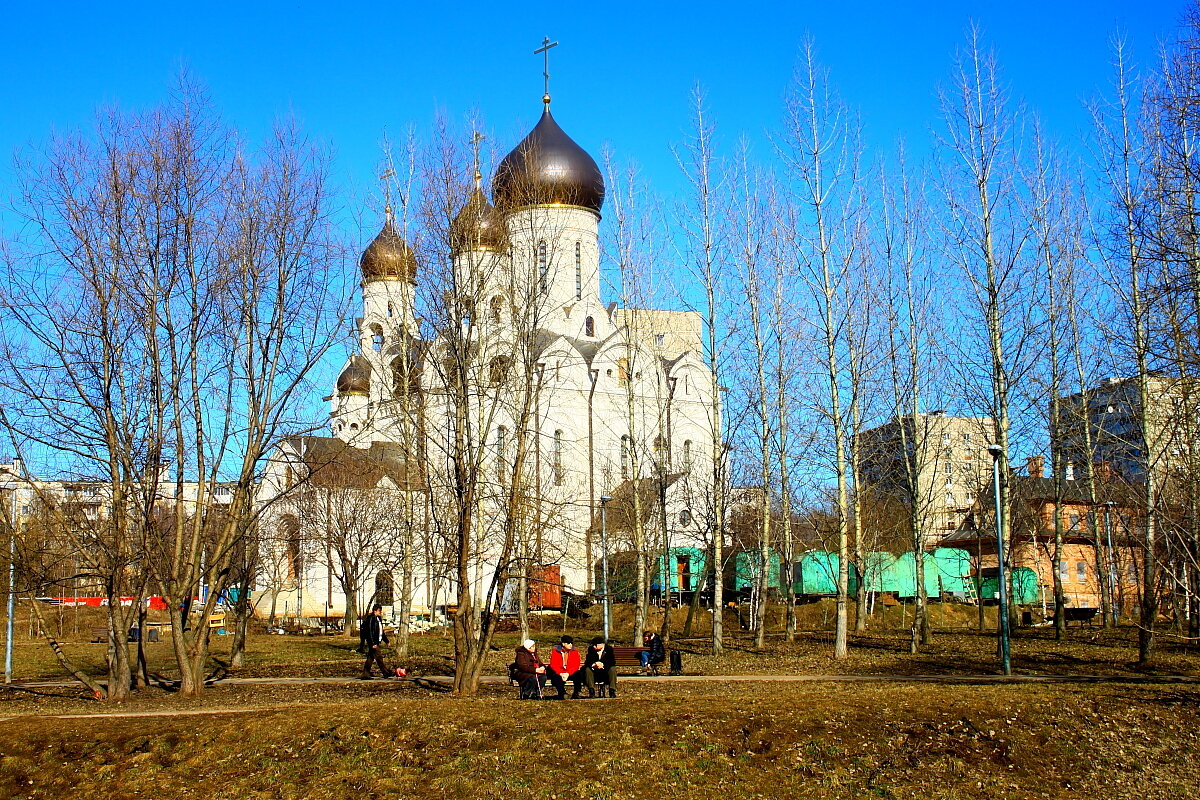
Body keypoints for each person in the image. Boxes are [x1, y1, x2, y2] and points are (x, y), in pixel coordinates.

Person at [546, 635, 583, 699]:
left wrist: (568, 673)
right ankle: (562, 693)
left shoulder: (575, 652)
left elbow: (576, 665)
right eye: (568, 643)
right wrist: (561, 673)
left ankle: (576, 693)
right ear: (563, 644)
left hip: (570, 672)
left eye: (571, 643)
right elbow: (554, 665)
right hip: (560, 672)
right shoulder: (555, 652)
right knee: (555, 677)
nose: (570, 645)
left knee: (578, 674)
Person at [359, 604, 390, 679]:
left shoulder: (378, 619)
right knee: (379, 657)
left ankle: (365, 674)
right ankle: (385, 672)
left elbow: (381, 632)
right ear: (375, 611)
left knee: (370, 658)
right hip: (373, 642)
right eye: (379, 610)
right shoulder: (371, 619)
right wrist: (373, 643)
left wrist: (386, 641)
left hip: (377, 641)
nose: (380, 612)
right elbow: (369, 632)